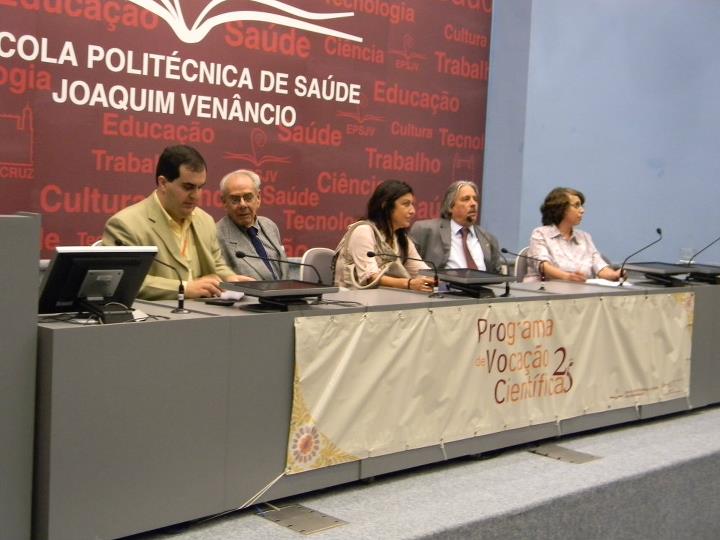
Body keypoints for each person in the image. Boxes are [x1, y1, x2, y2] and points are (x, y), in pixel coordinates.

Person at [102, 145, 253, 300]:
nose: (196, 196)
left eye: (200, 187)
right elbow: (122, 280)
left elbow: (216, 264)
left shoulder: (205, 220)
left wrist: (230, 279)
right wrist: (184, 288)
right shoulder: (125, 224)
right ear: (163, 183)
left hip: (206, 315)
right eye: (188, 187)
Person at [333, 179, 433, 291]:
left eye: (412, 204)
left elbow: (421, 271)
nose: (412, 211)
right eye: (406, 204)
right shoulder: (363, 231)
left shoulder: (401, 239)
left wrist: (441, 281)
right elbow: (370, 277)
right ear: (385, 205)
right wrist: (409, 284)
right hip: (351, 300)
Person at [524, 187, 623, 282]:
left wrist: (615, 275)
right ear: (560, 208)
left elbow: (599, 267)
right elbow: (542, 266)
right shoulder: (540, 233)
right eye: (576, 205)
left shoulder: (585, 237)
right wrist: (567, 277)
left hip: (577, 292)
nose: (582, 210)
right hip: (543, 292)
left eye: (581, 206)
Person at [410, 180, 502, 273]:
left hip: (480, 286)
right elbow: (409, 266)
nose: (473, 204)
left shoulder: (488, 239)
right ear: (450, 206)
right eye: (466, 199)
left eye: (475, 199)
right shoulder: (425, 230)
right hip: (442, 286)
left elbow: (498, 276)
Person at [216, 169, 289, 280]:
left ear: (258, 197)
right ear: (224, 202)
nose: (243, 205)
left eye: (248, 197)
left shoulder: (270, 226)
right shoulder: (216, 235)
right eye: (235, 200)